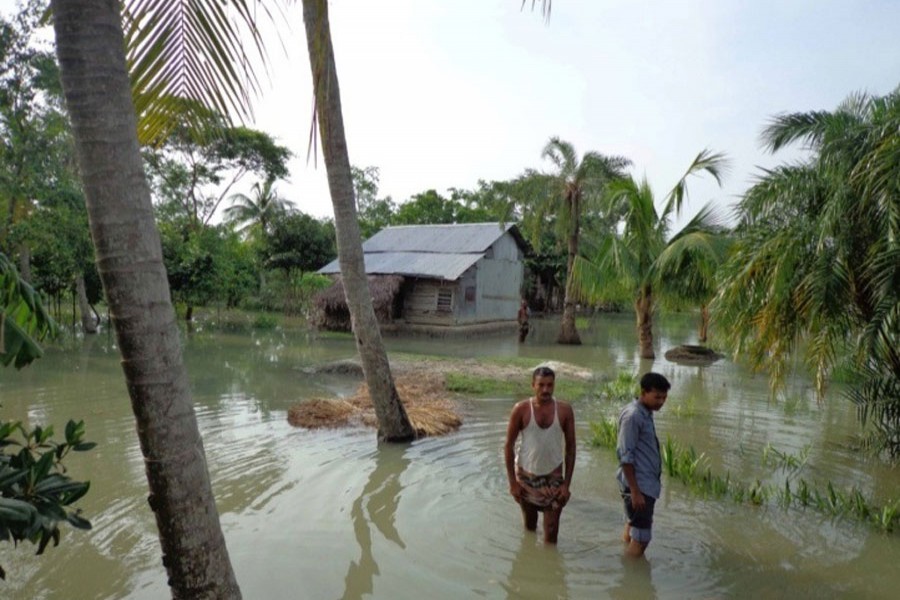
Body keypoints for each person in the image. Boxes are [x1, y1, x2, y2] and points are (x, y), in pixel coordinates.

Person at [504, 366, 576, 544]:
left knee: (551, 534)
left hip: (554, 477)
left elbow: (571, 448)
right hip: (526, 475)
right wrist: (513, 483)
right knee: (530, 526)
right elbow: (508, 445)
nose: (546, 390)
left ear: (554, 386)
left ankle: (549, 567)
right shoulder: (521, 409)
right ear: (533, 385)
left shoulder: (565, 410)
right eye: (541, 385)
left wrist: (566, 485)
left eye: (550, 385)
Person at [616, 372, 670, 558]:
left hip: (643, 484)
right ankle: (631, 578)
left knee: (632, 526)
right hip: (639, 486)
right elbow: (625, 456)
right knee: (642, 539)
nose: (661, 402)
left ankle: (625, 560)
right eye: (657, 397)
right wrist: (635, 491)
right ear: (643, 392)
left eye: (664, 397)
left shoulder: (645, 413)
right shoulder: (633, 416)